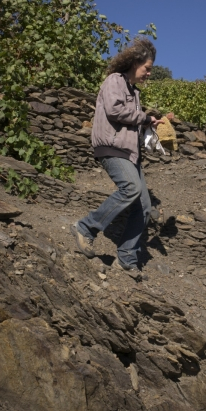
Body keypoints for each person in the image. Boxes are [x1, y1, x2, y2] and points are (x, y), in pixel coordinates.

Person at [71, 37, 163, 272]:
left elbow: (129, 118)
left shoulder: (134, 92)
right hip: (113, 149)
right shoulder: (115, 80)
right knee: (131, 189)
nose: (149, 73)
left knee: (143, 205)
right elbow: (114, 110)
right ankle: (86, 227)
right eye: (147, 68)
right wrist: (143, 117)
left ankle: (127, 257)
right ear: (135, 63)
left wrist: (147, 124)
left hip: (130, 154)